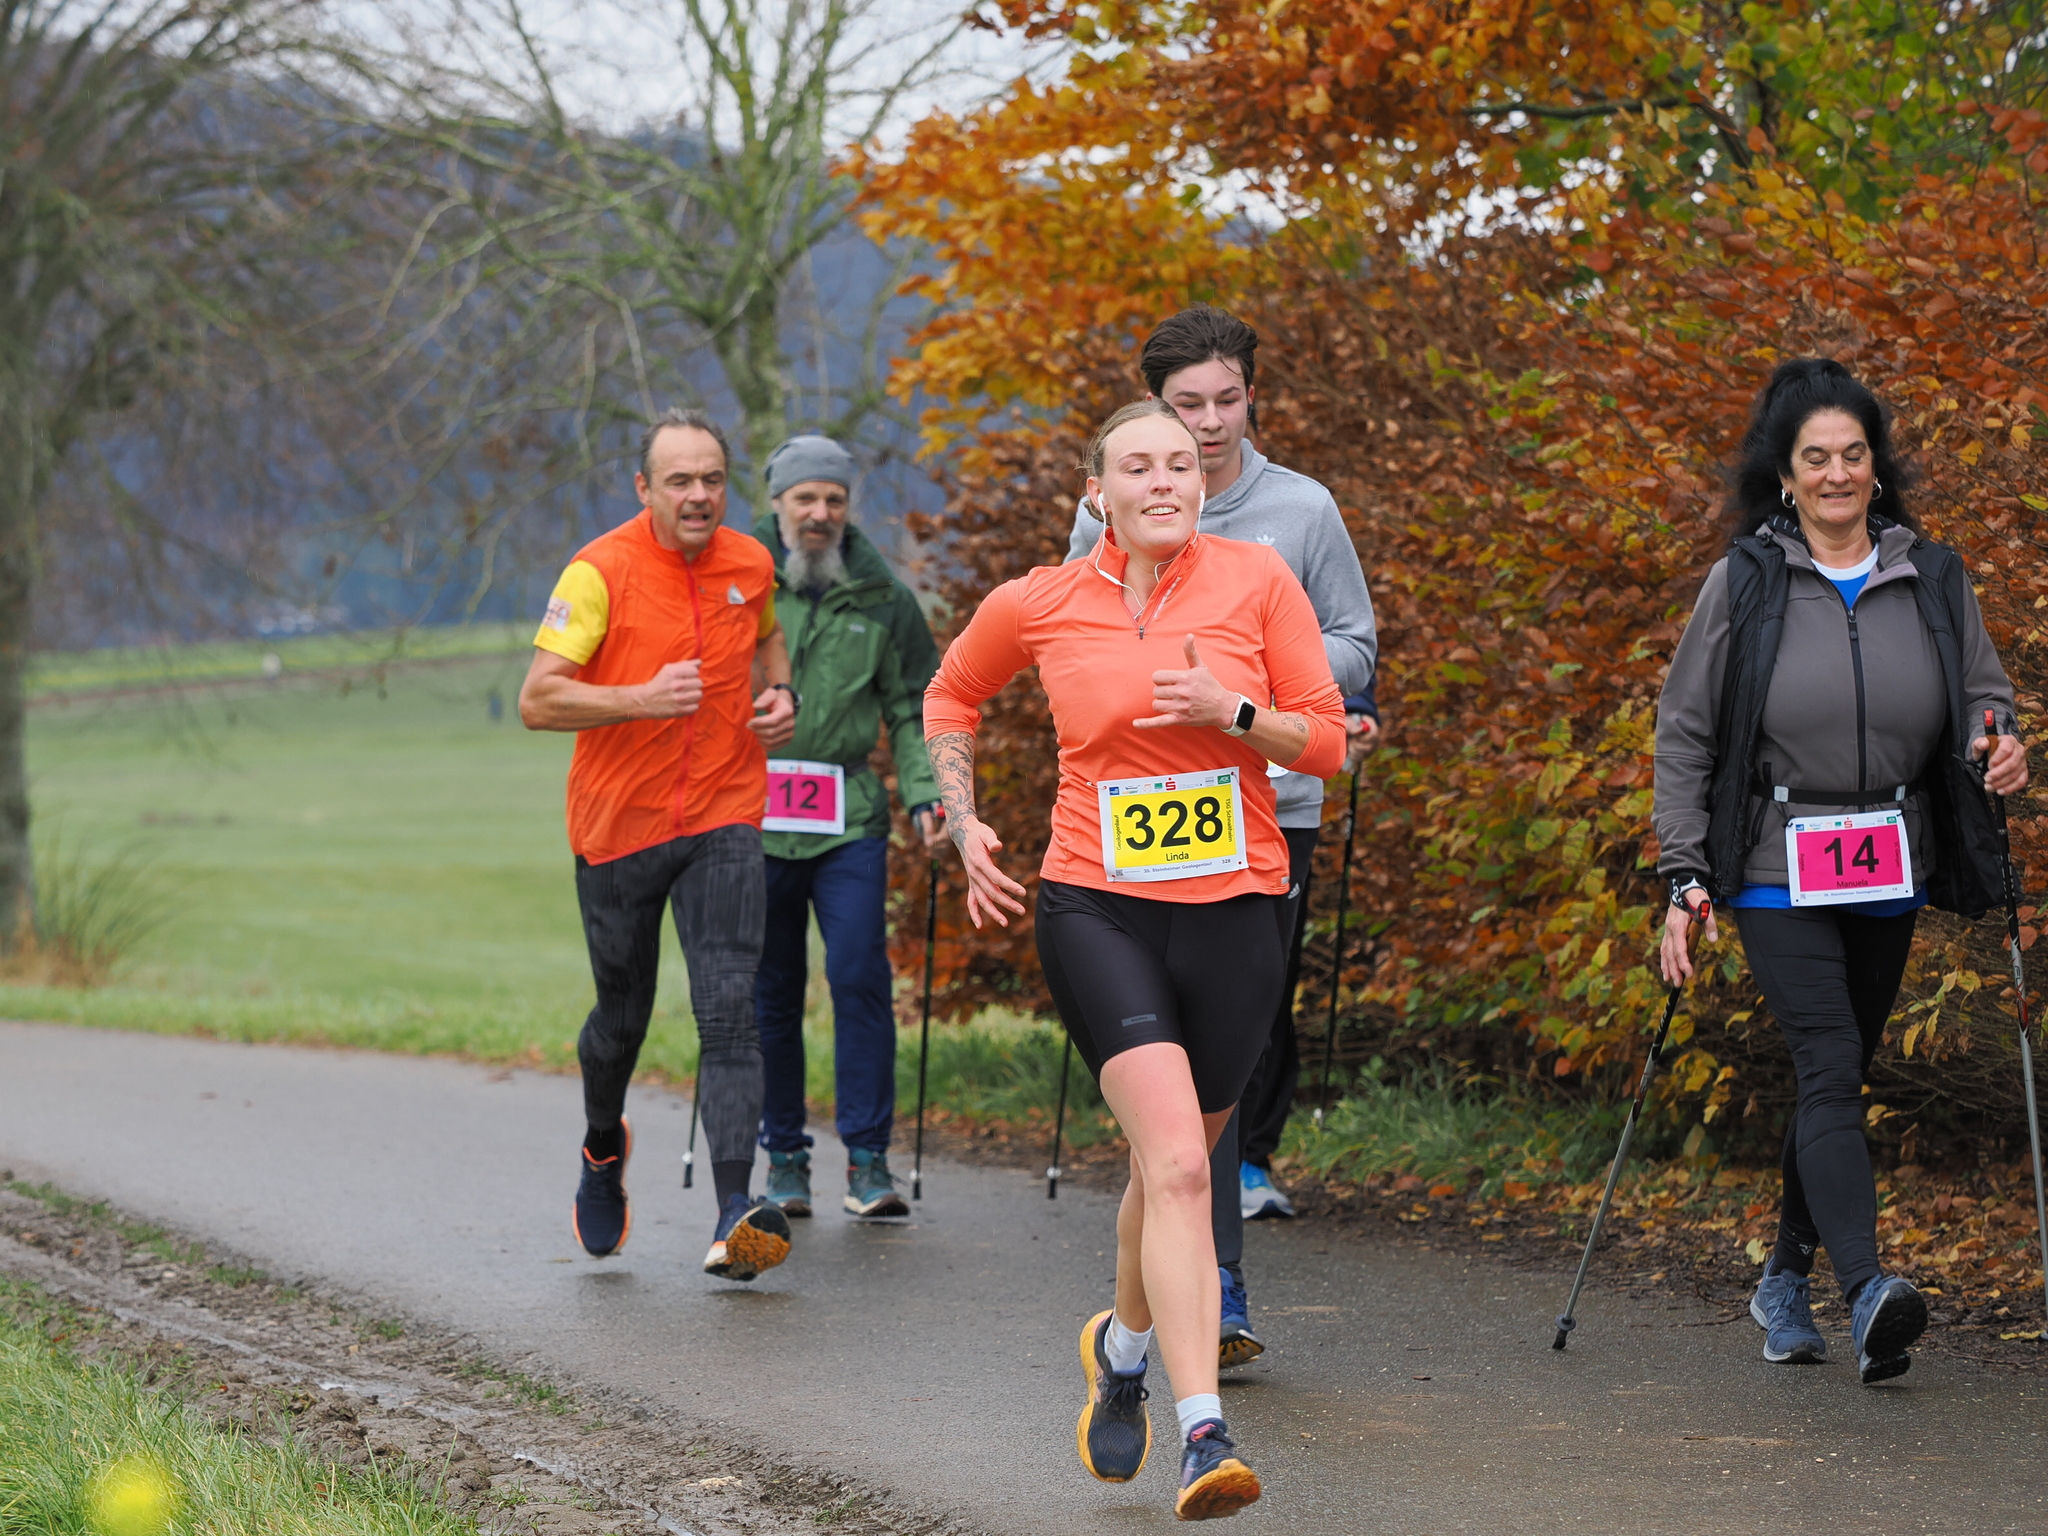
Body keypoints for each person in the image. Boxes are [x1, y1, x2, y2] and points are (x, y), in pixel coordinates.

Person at [925, 399, 1345, 1519]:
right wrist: (963, 822)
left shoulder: (1257, 579)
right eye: (1138, 467)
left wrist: (1233, 709)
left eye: (1181, 464)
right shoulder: (1040, 600)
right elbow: (951, 693)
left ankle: (1119, 1350)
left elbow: (1325, 740)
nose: (1165, 480)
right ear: (1097, 493)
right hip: (1095, 909)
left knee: (1173, 1164)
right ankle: (1204, 1434)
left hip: (1235, 910)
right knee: (1180, 1171)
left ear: (1202, 482)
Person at [1654, 358, 2026, 1385]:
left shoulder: (1931, 575)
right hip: (1775, 860)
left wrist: (1998, 743)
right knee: (1826, 1059)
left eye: (1852, 455)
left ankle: (1782, 1278)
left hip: (1887, 858)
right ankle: (1866, 1290)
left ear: (1876, 466)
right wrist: (1683, 873)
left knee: (1839, 1073)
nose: (1835, 474)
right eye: (1813, 457)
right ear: (1783, 475)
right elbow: (1684, 732)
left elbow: (1984, 697)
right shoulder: (1745, 581)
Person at [1064, 304, 1376, 1365]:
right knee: (1176, 1054)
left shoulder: (1301, 510)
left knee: (1231, 1047)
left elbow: (1355, 645)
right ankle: (1217, 1279)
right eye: (1184, 405)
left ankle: (1191, 1260)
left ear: (1252, 398)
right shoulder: (1109, 507)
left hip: (1268, 805)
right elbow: (1073, 630)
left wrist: (1266, 674)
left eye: (1225, 401)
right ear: (1150, 409)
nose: (1206, 425)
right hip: (1143, 814)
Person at [519, 407, 800, 1284]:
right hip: (619, 826)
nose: (698, 495)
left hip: (724, 811)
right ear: (645, 488)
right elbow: (538, 700)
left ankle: (734, 1211)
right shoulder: (598, 572)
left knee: (728, 1005)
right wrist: (639, 699)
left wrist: (780, 695)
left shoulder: (750, 563)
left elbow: (768, 638)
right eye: (679, 480)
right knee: (622, 1019)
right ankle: (603, 1146)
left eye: (712, 478)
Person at [747, 434, 946, 1220]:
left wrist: (926, 795)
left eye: (833, 499)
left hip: (849, 818)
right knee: (769, 989)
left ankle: (868, 1160)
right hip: (754, 817)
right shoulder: (738, 580)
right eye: (806, 498)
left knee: (860, 975)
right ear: (777, 504)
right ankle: (784, 1159)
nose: (820, 513)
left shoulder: (883, 596)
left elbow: (913, 706)